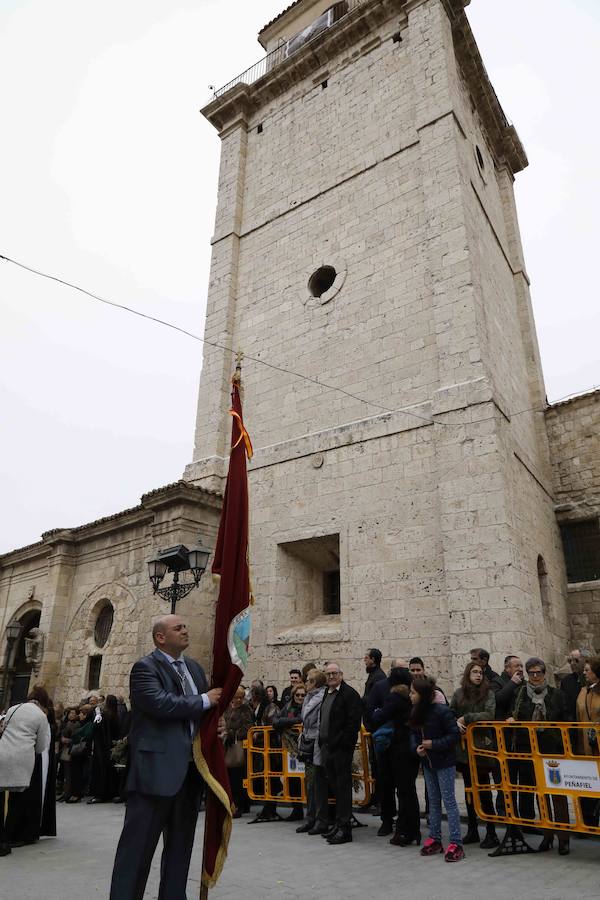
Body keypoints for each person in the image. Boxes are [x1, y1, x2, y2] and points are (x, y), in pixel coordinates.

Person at [109, 614, 223, 900]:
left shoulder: (195, 669)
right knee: (136, 853)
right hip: (154, 775)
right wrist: (205, 700)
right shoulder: (145, 668)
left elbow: (201, 713)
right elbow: (160, 704)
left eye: (185, 626)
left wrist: (215, 724)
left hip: (189, 774)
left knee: (179, 852)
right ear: (161, 637)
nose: (186, 630)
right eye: (178, 628)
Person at [507, 656, 569, 854]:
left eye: (538, 672)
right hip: (530, 750)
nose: (535, 676)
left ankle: (563, 838)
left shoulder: (556, 694)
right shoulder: (520, 694)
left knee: (557, 795)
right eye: (531, 673)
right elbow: (516, 717)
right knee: (541, 795)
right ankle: (547, 835)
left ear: (544, 673)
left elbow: (566, 719)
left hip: (553, 750)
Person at [410, 677, 464, 862]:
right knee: (433, 802)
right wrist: (416, 748)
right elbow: (413, 734)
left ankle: (456, 842)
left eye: (413, 692)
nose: (410, 695)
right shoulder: (416, 713)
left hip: (444, 762)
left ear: (422, 695)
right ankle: (435, 838)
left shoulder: (442, 711)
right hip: (428, 763)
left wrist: (434, 744)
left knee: (449, 801)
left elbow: (454, 736)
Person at [450, 661, 498, 848]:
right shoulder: (459, 693)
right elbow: (451, 712)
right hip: (464, 750)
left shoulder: (489, 693)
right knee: (469, 791)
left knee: (485, 791)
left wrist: (467, 718)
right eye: (474, 672)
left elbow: (489, 714)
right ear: (468, 674)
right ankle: (472, 830)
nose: (478, 675)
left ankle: (491, 832)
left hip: (482, 749)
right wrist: (455, 721)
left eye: (480, 672)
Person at [371, 667, 420, 846]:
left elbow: (378, 717)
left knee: (404, 792)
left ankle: (404, 831)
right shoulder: (411, 696)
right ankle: (413, 830)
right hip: (410, 749)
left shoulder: (395, 698)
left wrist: (376, 712)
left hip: (399, 750)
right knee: (409, 791)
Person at [314, 662, 362, 845]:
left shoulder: (350, 694)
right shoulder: (327, 692)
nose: (331, 677)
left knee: (343, 789)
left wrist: (341, 744)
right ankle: (338, 824)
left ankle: (345, 830)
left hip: (341, 750)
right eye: (328, 674)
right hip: (327, 748)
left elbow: (353, 724)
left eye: (334, 673)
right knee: (335, 788)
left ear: (341, 674)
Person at [0, 688, 51, 856]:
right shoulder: (41, 716)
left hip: (2, 753)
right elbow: (41, 746)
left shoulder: (13, 709)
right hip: (22, 759)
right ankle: (6, 840)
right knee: (17, 800)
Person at [298, 669, 327, 835]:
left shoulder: (322, 697)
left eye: (308, 680)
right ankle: (310, 818)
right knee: (309, 783)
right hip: (308, 740)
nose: (305, 683)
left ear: (315, 683)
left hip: (317, 742)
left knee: (318, 783)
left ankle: (320, 819)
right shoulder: (309, 697)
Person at [274, 682, 307, 821]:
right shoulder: (287, 707)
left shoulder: (307, 706)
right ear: (293, 695)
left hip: (304, 747)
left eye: (303, 695)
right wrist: (290, 721)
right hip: (289, 749)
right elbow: (275, 721)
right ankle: (297, 809)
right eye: (298, 695)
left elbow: (302, 720)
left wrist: (285, 721)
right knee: (293, 780)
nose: (300, 697)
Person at [575, 656, 600, 826]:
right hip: (584, 744)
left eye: (587, 670)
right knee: (588, 783)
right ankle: (589, 822)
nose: (584, 673)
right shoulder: (583, 691)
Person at [224, 686, 253, 818]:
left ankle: (240, 805)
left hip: (240, 746)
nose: (239, 700)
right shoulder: (228, 709)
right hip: (227, 747)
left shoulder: (246, 709)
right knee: (230, 777)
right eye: (236, 697)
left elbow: (248, 728)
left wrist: (232, 734)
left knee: (239, 778)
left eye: (241, 697)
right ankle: (234, 804)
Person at [88, 694, 121, 803]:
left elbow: (99, 729)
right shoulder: (116, 715)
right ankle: (110, 793)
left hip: (102, 748)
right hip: (111, 746)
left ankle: (100, 794)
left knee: (101, 771)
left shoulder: (106, 715)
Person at [66, 704, 94, 803]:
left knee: (77, 773)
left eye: (81, 713)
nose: (79, 716)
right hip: (78, 752)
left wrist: (76, 736)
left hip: (81, 752)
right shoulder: (83, 724)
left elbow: (85, 736)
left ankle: (76, 793)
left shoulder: (88, 724)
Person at [561, 648, 590, 721]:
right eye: (570, 661)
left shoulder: (594, 678)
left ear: (585, 660)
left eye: (576, 660)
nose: (572, 663)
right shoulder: (566, 681)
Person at [495, 655, 524, 720]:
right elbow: (498, 701)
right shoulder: (496, 681)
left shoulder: (525, 683)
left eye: (521, 666)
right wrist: (512, 683)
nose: (521, 669)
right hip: (503, 725)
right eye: (517, 666)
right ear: (507, 668)